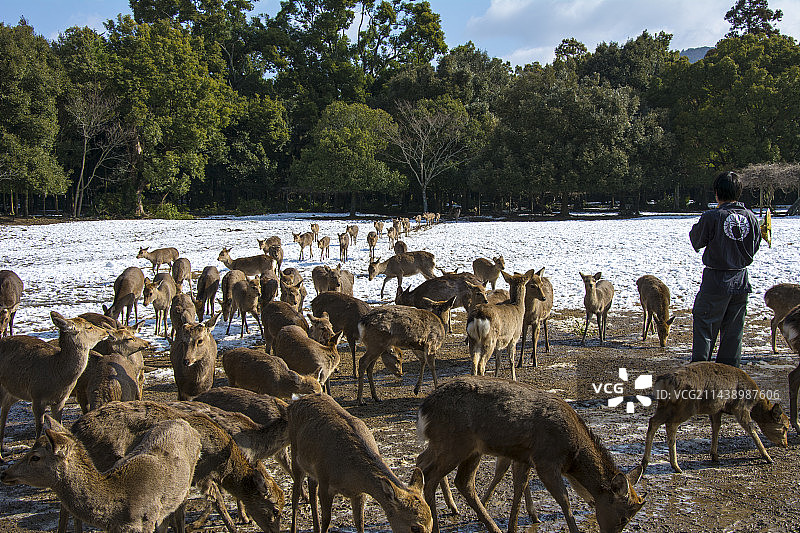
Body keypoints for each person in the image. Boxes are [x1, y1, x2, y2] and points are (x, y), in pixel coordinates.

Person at [689, 171, 762, 367]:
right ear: (739, 192)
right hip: (740, 281)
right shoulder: (752, 218)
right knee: (733, 337)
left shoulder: (712, 216)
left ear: (716, 193)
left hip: (715, 281)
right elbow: (754, 247)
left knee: (705, 329)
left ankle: (699, 380)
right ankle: (728, 384)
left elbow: (696, 240)